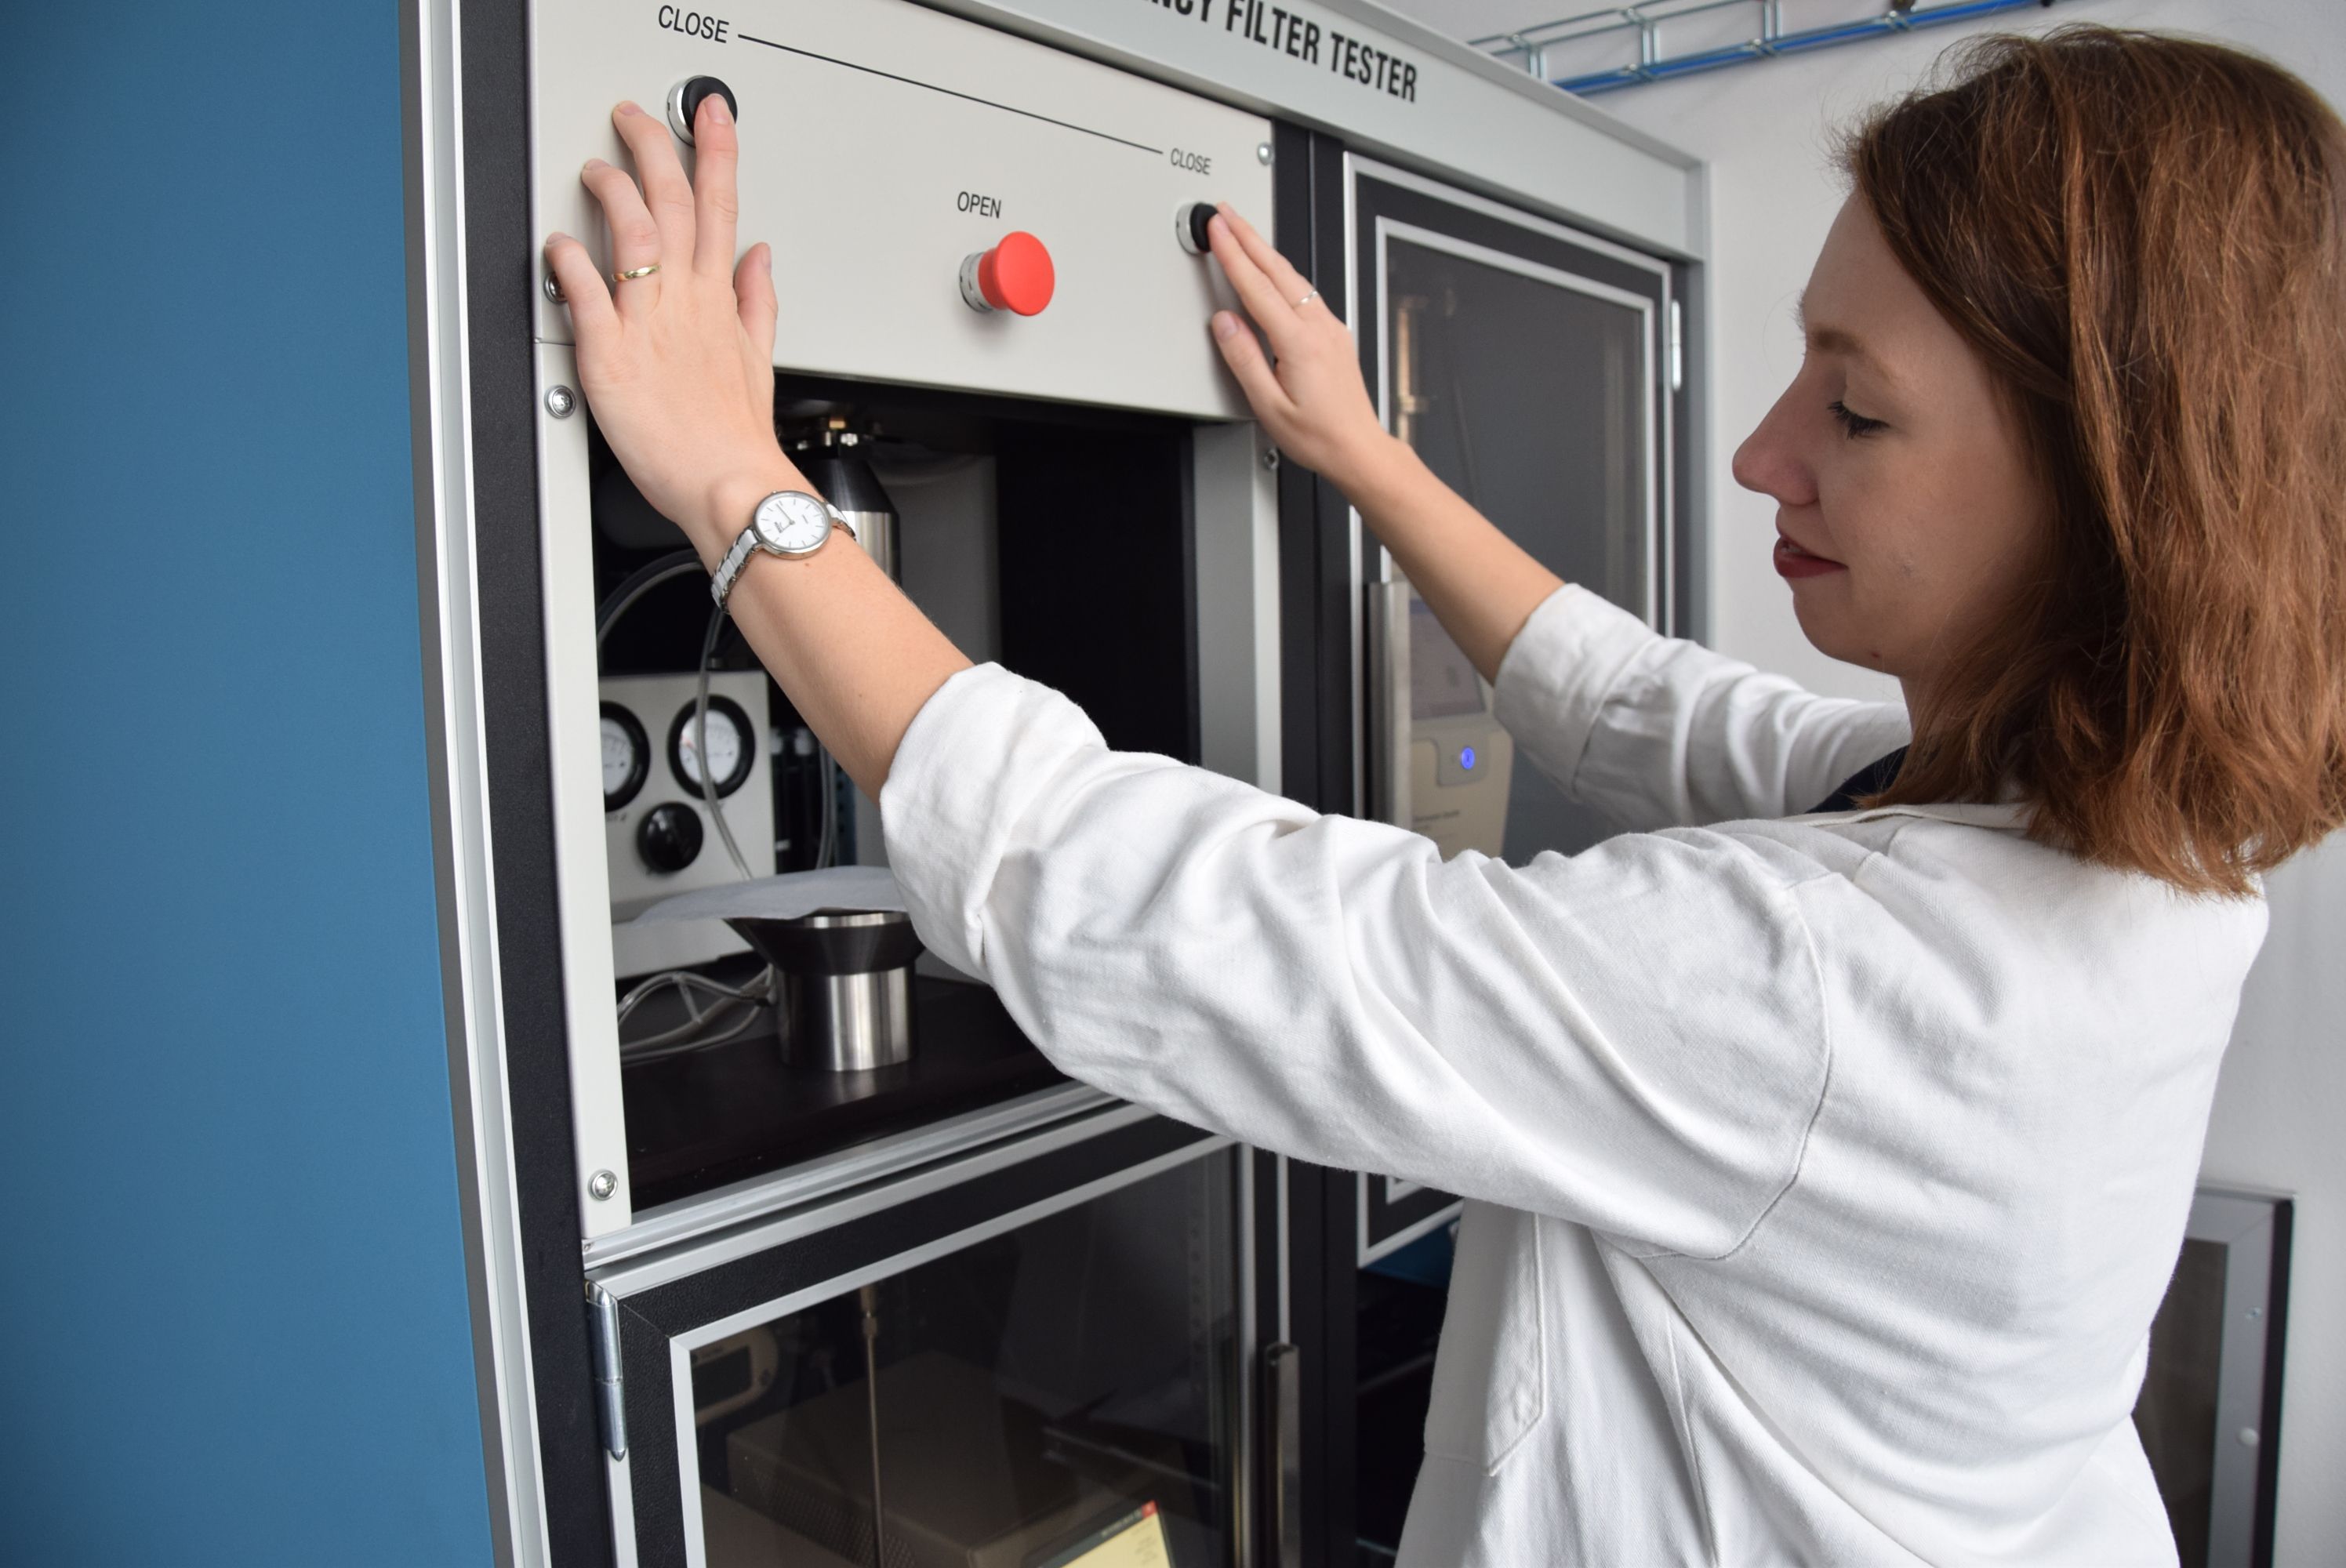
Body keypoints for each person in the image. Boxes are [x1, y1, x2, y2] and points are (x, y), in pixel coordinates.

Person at [543, 26, 2346, 1566]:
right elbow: (1641, 704)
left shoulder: (1842, 980)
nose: (1758, 451)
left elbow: (1173, 913)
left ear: (2110, 494)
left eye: (1854, 411)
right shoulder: (2126, 843)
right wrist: (1361, 452)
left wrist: (729, 485)